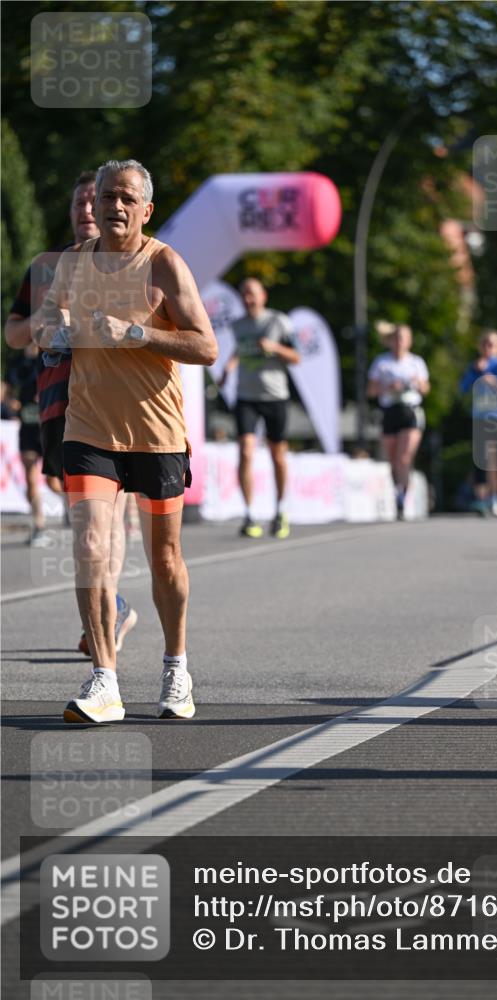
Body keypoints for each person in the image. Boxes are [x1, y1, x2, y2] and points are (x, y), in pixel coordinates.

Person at [36, 158, 218, 723]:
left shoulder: (163, 265)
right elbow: (42, 326)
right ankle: (105, 680)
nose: (110, 206)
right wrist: (57, 333)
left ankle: (176, 665)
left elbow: (206, 346)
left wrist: (136, 334)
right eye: (104, 196)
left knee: (164, 560)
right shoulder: (71, 263)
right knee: (90, 547)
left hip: (156, 433)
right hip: (89, 429)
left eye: (123, 198)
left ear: (146, 209)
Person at [4, 172, 137, 653]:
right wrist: (40, 322)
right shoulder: (45, 267)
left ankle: (112, 604)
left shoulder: (132, 262)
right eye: (80, 201)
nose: (87, 209)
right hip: (59, 401)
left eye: (93, 200)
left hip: (113, 402)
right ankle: (108, 604)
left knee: (111, 512)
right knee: (82, 517)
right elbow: (13, 332)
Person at [221, 277, 300, 539]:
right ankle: (250, 513)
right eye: (244, 294)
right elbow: (239, 351)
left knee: (278, 454)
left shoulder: (278, 321)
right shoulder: (238, 325)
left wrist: (274, 347)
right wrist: (228, 368)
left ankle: (280, 510)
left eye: (252, 294)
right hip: (246, 396)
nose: (248, 299)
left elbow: (296, 357)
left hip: (275, 396)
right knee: (245, 451)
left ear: (264, 296)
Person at [367, 323, 430, 520]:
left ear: (409, 341)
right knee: (393, 460)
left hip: (410, 411)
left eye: (403, 338)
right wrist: (388, 387)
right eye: (396, 338)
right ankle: (397, 490)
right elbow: (371, 390)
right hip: (389, 411)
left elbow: (426, 388)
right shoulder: (381, 363)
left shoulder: (416, 363)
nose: (399, 342)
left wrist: (417, 383)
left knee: (404, 458)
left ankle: (404, 495)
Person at [459, 329, 497, 517]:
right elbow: (463, 388)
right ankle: (482, 499)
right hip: (481, 418)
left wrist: (494, 383)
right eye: (485, 344)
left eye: (493, 344)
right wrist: (476, 371)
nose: (489, 348)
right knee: (481, 459)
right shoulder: (476, 366)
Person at [6, 344, 49, 545]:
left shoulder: (50, 354)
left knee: (54, 482)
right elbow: (5, 389)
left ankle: (71, 511)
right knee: (31, 478)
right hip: (28, 426)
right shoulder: (15, 363)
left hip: (50, 426)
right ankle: (39, 525)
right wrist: (10, 401)